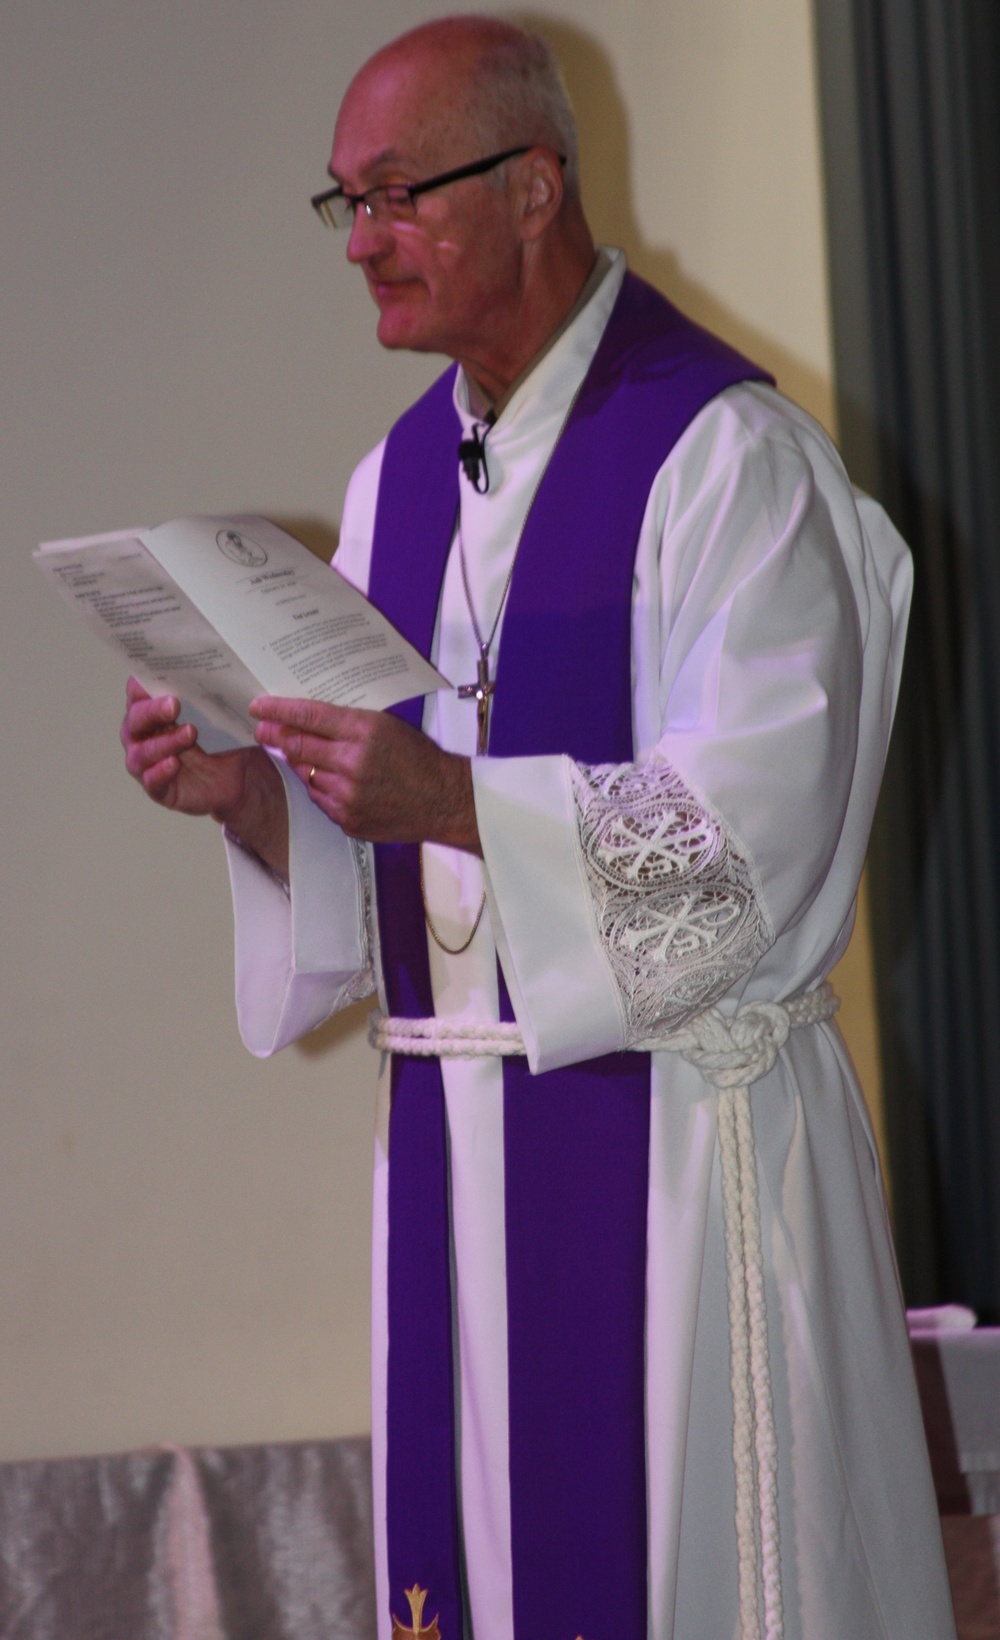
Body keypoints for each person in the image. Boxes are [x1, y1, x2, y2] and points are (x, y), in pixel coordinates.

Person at [121, 16, 957, 1640]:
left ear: (534, 188)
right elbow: (421, 917)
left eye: (395, 196)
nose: (360, 242)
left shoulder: (730, 463)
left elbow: (747, 867)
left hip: (678, 1177)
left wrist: (448, 795)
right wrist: (260, 809)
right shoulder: (392, 492)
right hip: (461, 1153)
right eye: (340, 205)